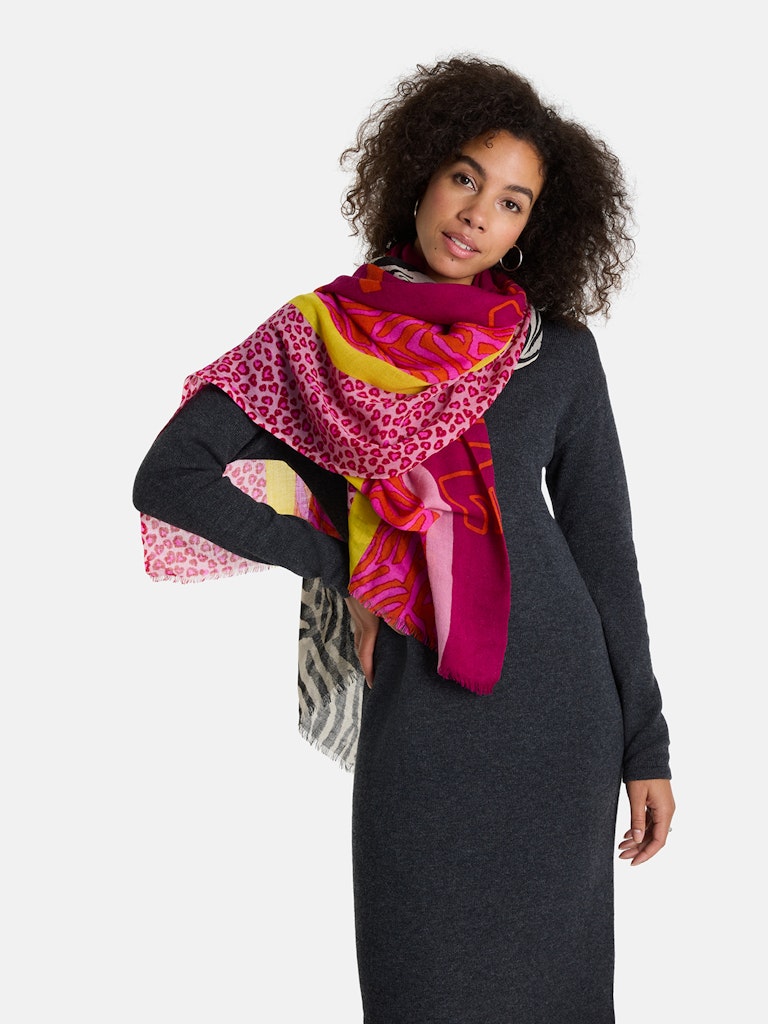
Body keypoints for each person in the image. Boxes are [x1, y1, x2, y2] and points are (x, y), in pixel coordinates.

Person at [133, 55, 675, 1023]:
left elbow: (606, 553)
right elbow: (169, 477)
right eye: (465, 176)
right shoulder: (318, 338)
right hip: (422, 710)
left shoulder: (555, 353)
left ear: (534, 226)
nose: (477, 214)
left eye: (511, 202)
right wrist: (355, 565)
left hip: (562, 713)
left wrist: (647, 743)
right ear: (421, 171)